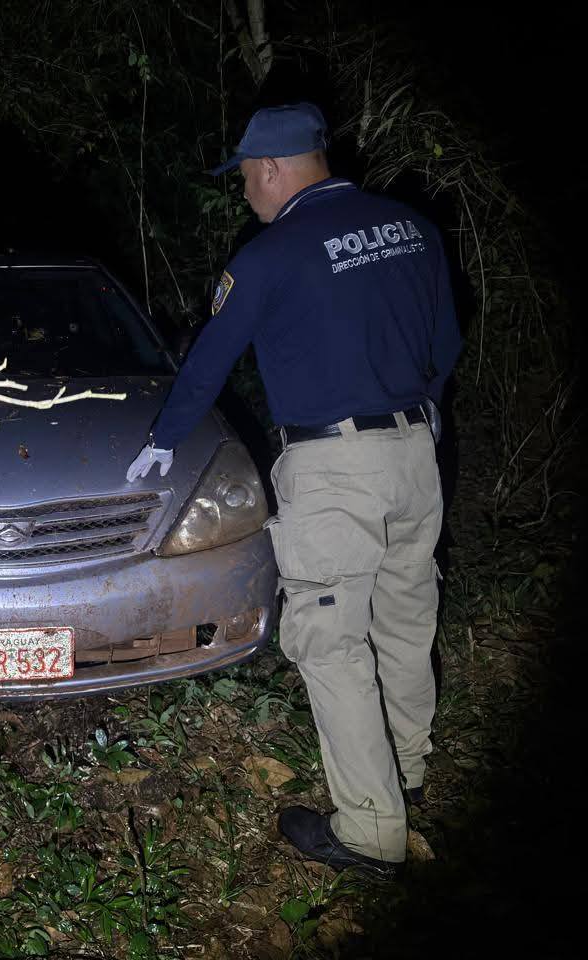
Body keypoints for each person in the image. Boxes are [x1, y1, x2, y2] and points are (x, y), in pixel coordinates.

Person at [127, 102, 461, 879]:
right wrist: (427, 413)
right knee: (408, 617)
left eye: (245, 178)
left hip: (334, 467)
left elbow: (208, 363)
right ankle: (408, 769)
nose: (245, 193)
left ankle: (373, 829)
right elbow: (445, 343)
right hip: (416, 450)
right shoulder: (412, 229)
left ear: (274, 169)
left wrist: (164, 441)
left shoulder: (271, 256)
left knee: (329, 639)